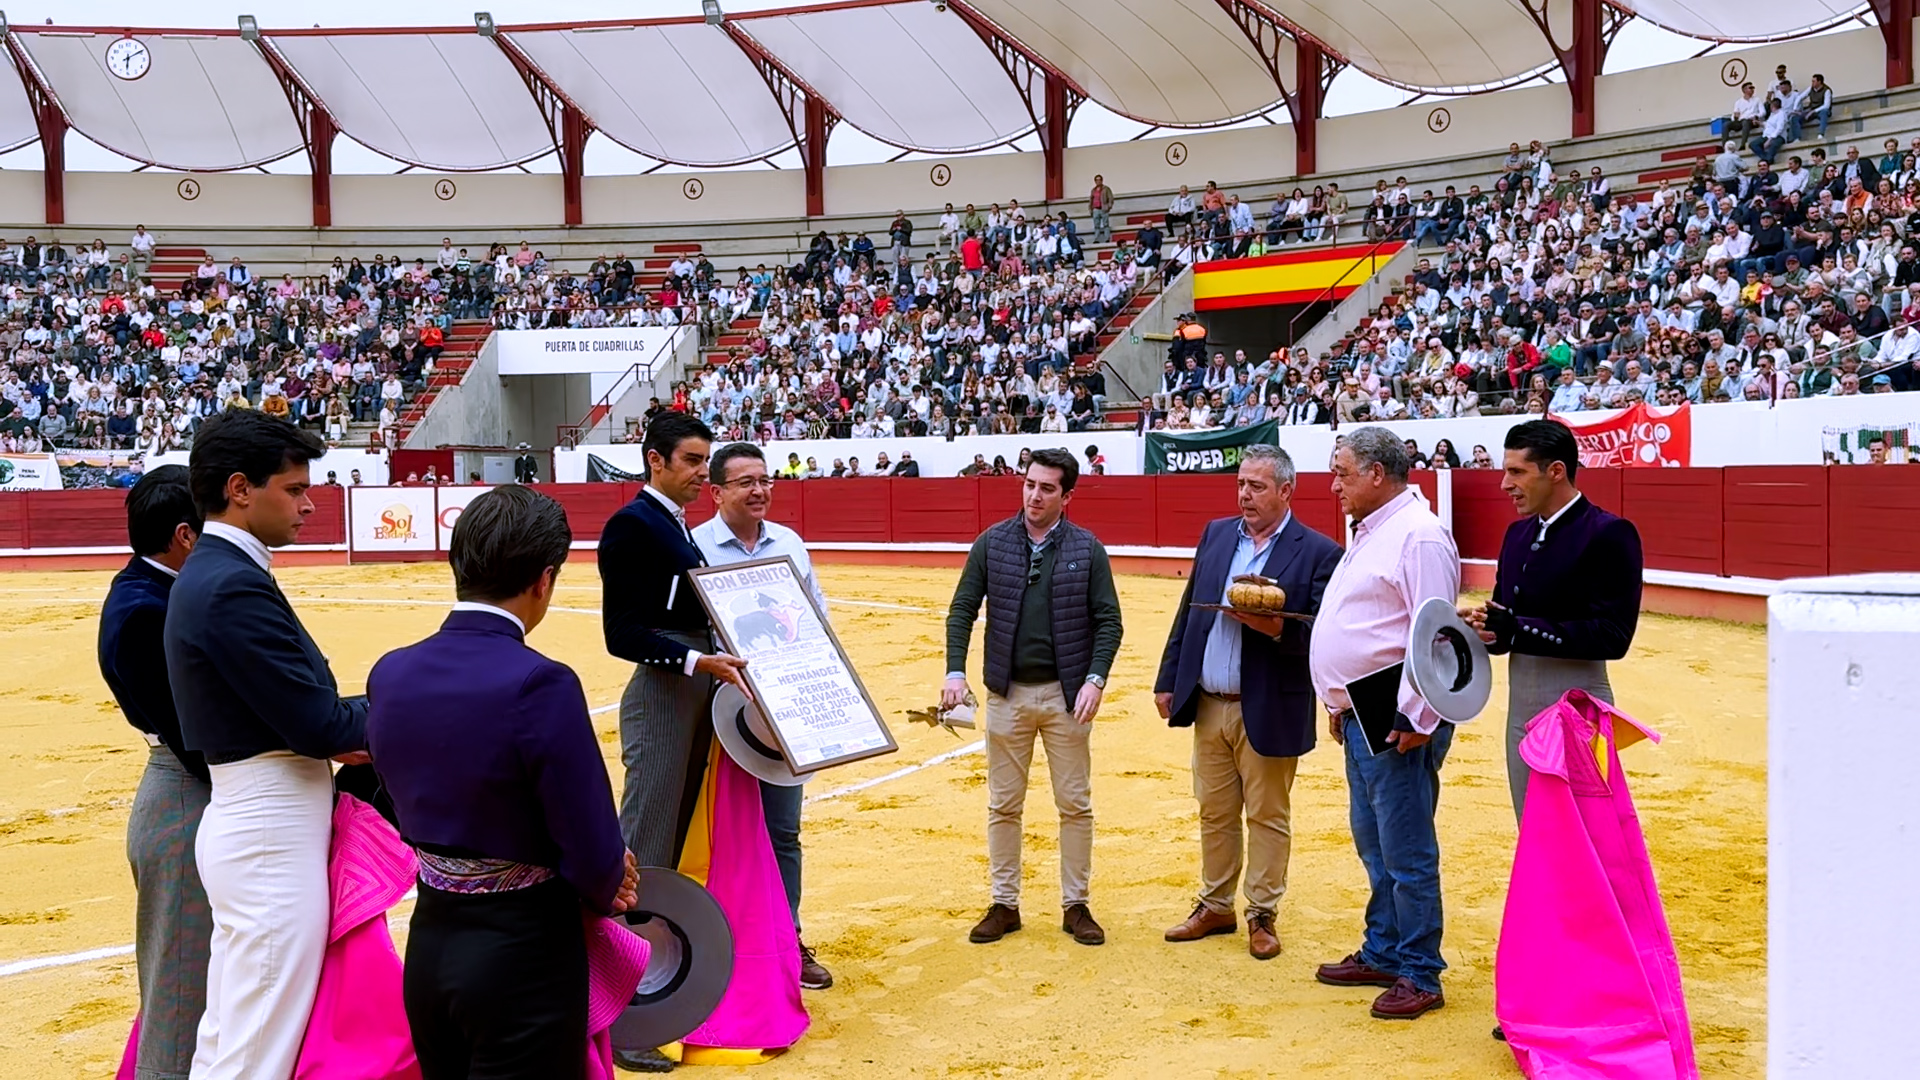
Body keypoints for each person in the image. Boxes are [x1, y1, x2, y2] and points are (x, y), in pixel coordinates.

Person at [370, 486, 638, 1078]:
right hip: (524, 953)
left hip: (431, 941)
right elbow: (590, 843)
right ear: (544, 579)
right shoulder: (540, 682)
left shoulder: (390, 672)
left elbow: (392, 794)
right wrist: (609, 881)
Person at [163, 410, 371, 1079]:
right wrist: (416, 705)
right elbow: (322, 728)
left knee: (235, 1032)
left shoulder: (222, 574)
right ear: (240, 489)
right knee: (259, 1046)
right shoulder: (229, 584)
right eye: (294, 487)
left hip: (263, 823)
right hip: (270, 832)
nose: (309, 504)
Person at [595, 412, 748, 1073]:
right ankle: (620, 1020)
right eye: (690, 460)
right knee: (644, 852)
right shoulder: (633, 525)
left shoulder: (671, 525)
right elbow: (622, 633)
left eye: (703, 461)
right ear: (655, 460)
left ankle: (647, 998)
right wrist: (695, 664)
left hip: (691, 692)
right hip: (664, 695)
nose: (700, 472)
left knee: (673, 841)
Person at [1154, 446, 1342, 960]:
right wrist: (1170, 676)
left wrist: (1275, 626)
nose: (1244, 495)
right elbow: (1190, 609)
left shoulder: (1319, 552)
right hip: (1210, 699)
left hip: (1271, 701)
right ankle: (1215, 905)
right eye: (1241, 484)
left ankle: (1262, 912)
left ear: (1286, 490)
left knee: (1266, 814)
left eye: (1257, 486)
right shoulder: (1217, 534)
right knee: (1213, 812)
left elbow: (1325, 636)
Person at [1308, 427, 1461, 1022]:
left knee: (1406, 849)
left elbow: (1438, 639)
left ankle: (1420, 972)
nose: (1335, 484)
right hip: (1363, 711)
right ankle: (1385, 949)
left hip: (1397, 714)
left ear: (1376, 473)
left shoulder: (1419, 535)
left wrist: (1419, 717)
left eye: (1342, 472)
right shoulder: (1377, 529)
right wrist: (1340, 705)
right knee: (1375, 843)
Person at [942, 448, 1123, 947]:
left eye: (1046, 488)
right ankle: (1004, 903)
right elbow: (961, 610)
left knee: (1075, 804)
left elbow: (1109, 620)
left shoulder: (1087, 549)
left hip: (1068, 698)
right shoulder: (991, 542)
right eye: (1029, 485)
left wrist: (1095, 679)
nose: (1034, 496)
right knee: (1003, 805)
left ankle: (1076, 904)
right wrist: (955, 671)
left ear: (1067, 495)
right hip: (1007, 694)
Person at [691, 442, 834, 991]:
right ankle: (713, 947)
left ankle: (787, 941)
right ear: (718, 492)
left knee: (782, 832)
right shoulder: (695, 547)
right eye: (745, 482)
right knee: (713, 832)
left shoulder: (791, 545)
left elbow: (816, 622)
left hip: (782, 716)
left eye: (765, 480)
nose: (759, 491)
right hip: (715, 714)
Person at [1462, 421, 1644, 820]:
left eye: (1517, 472)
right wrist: (1487, 628)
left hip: (1576, 709)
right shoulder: (1517, 535)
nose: (1504, 485)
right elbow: (1505, 627)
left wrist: (1519, 628)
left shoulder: (1609, 533)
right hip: (1522, 712)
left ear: (1556, 471)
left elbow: (1613, 637)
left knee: (1581, 837)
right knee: (1532, 834)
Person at [100, 465, 209, 1080]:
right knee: (179, 996)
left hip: (188, 793)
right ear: (185, 535)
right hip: (186, 802)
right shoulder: (146, 610)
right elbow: (192, 734)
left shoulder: (150, 593)